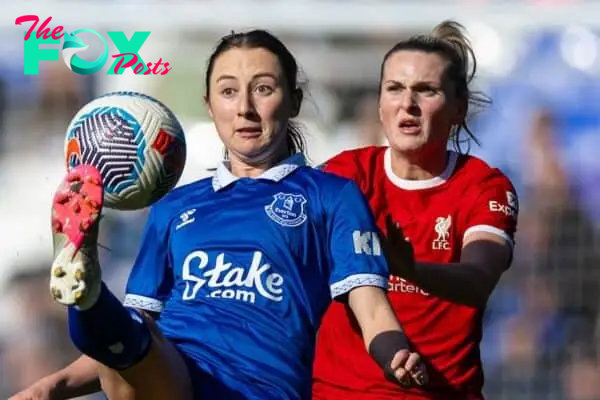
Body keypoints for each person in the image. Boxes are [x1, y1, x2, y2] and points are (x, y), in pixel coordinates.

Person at [10, 30, 426, 400]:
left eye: (263, 89)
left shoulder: (331, 196)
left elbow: (370, 307)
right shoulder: (175, 206)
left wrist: (395, 353)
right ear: (210, 106)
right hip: (172, 372)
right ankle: (85, 288)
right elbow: (130, 339)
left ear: (294, 100)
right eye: (228, 92)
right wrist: (53, 385)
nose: (245, 107)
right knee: (135, 335)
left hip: (258, 385)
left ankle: (88, 294)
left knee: (131, 340)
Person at [312, 20, 519, 400]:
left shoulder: (483, 187)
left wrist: (410, 269)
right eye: (395, 89)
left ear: (458, 108)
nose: (407, 104)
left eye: (425, 91)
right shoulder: (344, 176)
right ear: (379, 103)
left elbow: (477, 280)